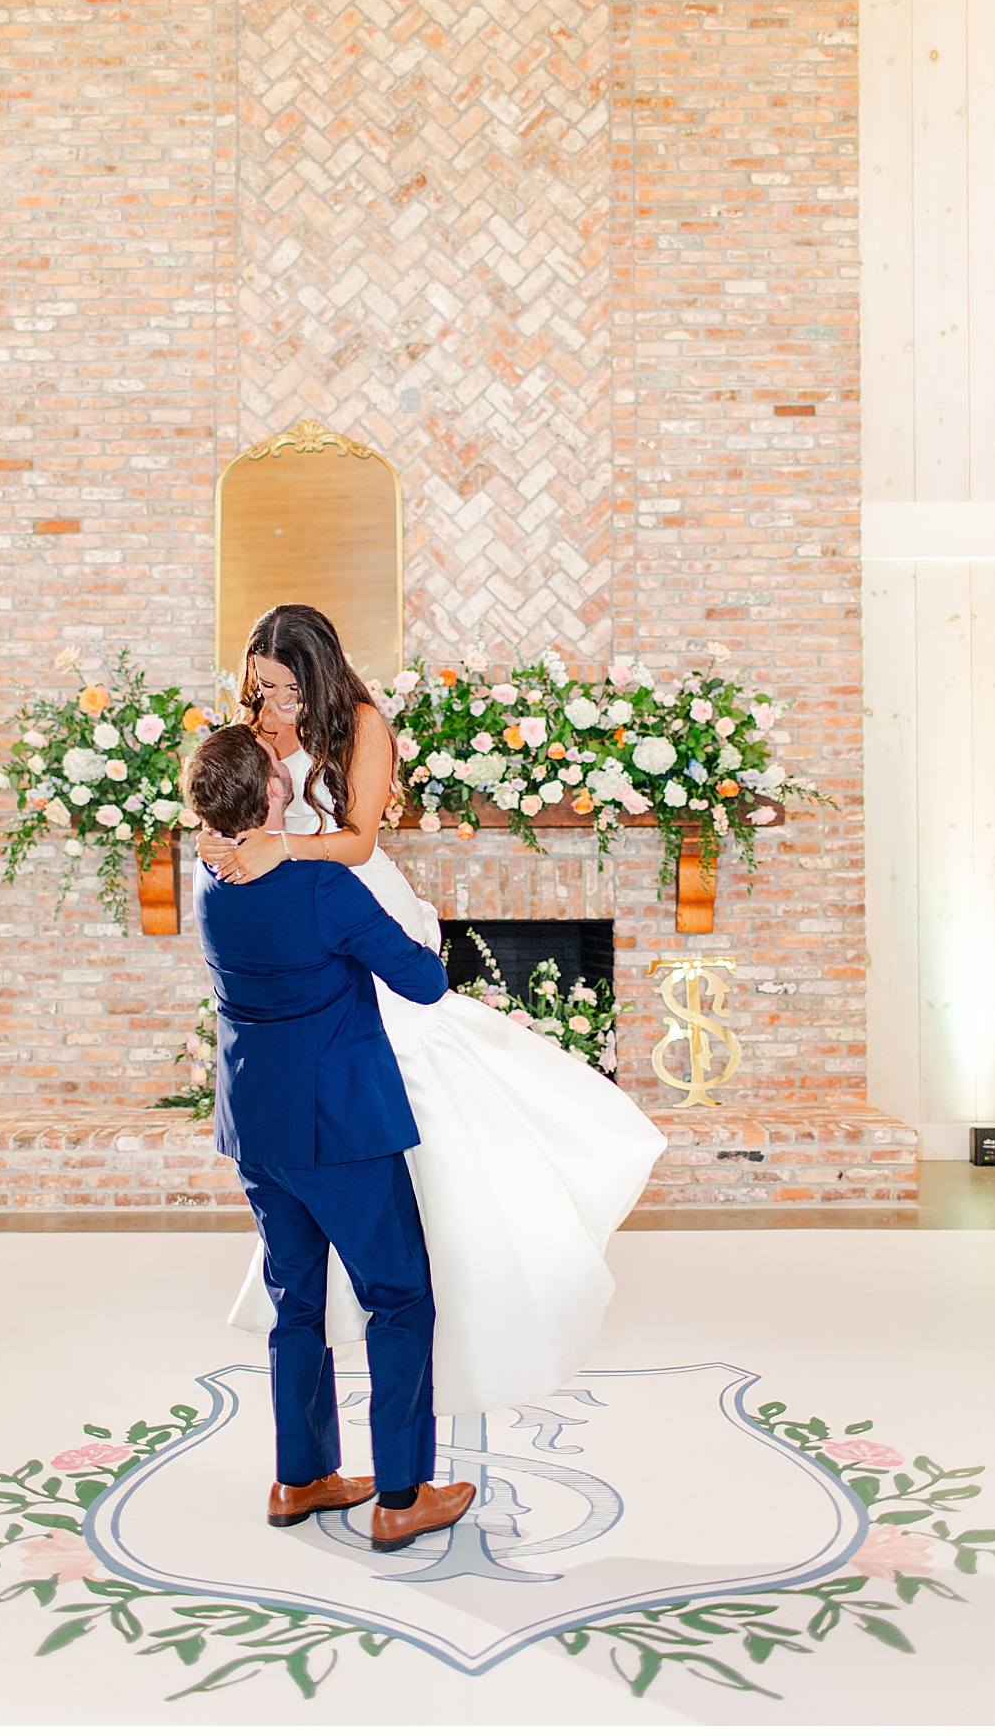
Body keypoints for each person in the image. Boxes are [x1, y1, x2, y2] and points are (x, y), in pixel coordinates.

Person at [197, 605, 668, 1418]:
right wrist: (218, 841)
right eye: (258, 687)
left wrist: (282, 848)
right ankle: (351, 1244)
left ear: (315, 674)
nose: (267, 703)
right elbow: (230, 800)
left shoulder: (363, 726)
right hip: (285, 906)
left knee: (406, 1071)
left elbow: (360, 839)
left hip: (345, 893)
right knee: (337, 1073)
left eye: (280, 687)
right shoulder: (256, 722)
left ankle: (464, 1238)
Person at [182, 723, 475, 1554]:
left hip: (256, 1125)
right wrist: (415, 920)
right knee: (399, 1297)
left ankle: (300, 1475)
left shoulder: (208, 871)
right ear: (274, 795)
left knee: (295, 1302)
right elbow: (424, 982)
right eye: (279, 770)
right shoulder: (320, 887)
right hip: (341, 1124)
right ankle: (401, 1494)